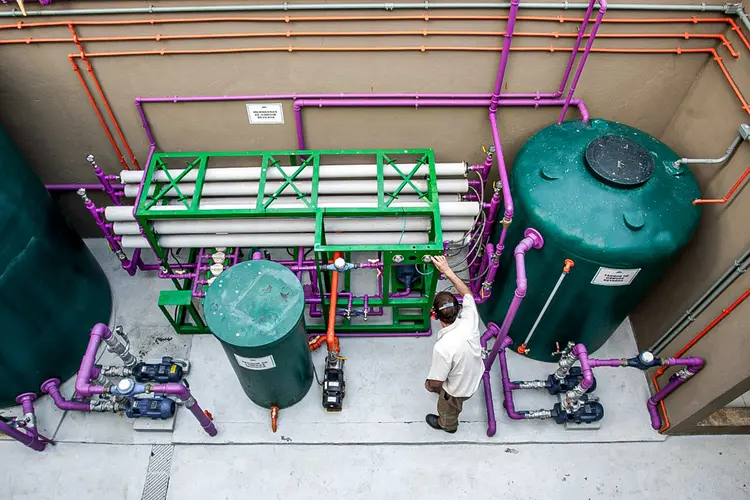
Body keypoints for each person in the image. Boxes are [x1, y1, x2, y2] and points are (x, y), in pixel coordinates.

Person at [424, 255, 483, 434]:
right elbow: (467, 294)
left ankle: (447, 425)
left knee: (448, 407)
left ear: (434, 315)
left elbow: (436, 380)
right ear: (459, 309)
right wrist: (447, 270)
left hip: (458, 390)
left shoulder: (443, 347)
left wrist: (429, 386)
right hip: (475, 373)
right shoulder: (470, 318)